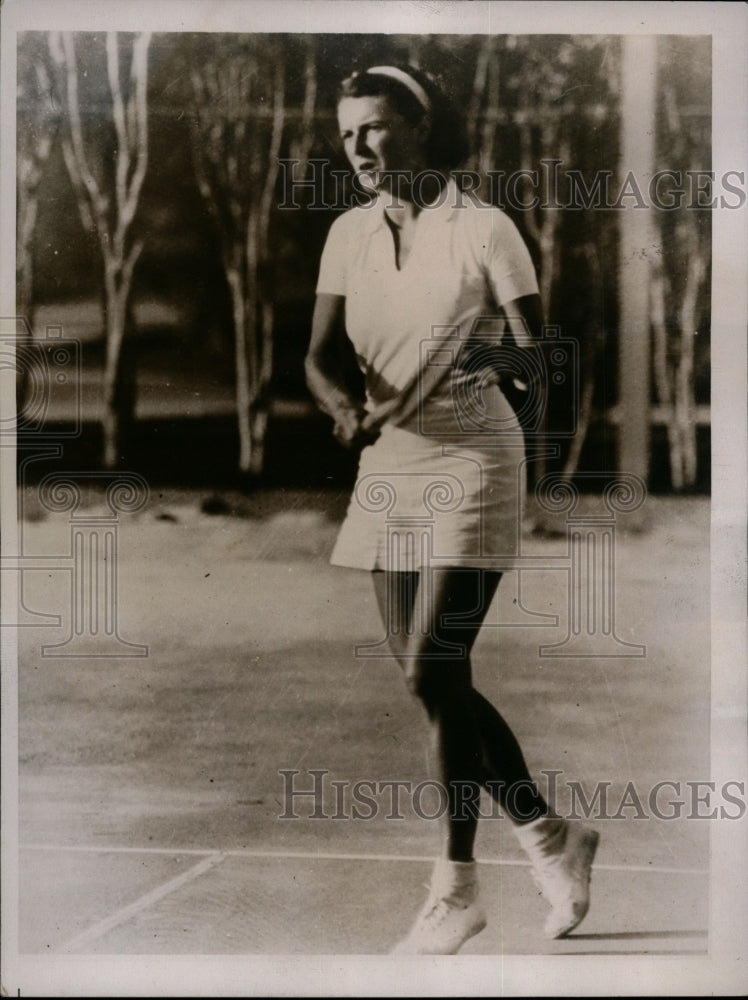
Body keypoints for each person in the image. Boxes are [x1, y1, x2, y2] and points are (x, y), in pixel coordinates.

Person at [305, 63, 598, 955]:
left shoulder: (486, 227)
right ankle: (552, 836)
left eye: (375, 128)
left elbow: (543, 354)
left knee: (433, 668)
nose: (355, 146)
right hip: (391, 461)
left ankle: (457, 888)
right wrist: (342, 407)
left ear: (422, 128)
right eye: (346, 131)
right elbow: (318, 358)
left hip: (476, 457)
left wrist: (499, 365)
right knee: (436, 683)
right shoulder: (350, 234)